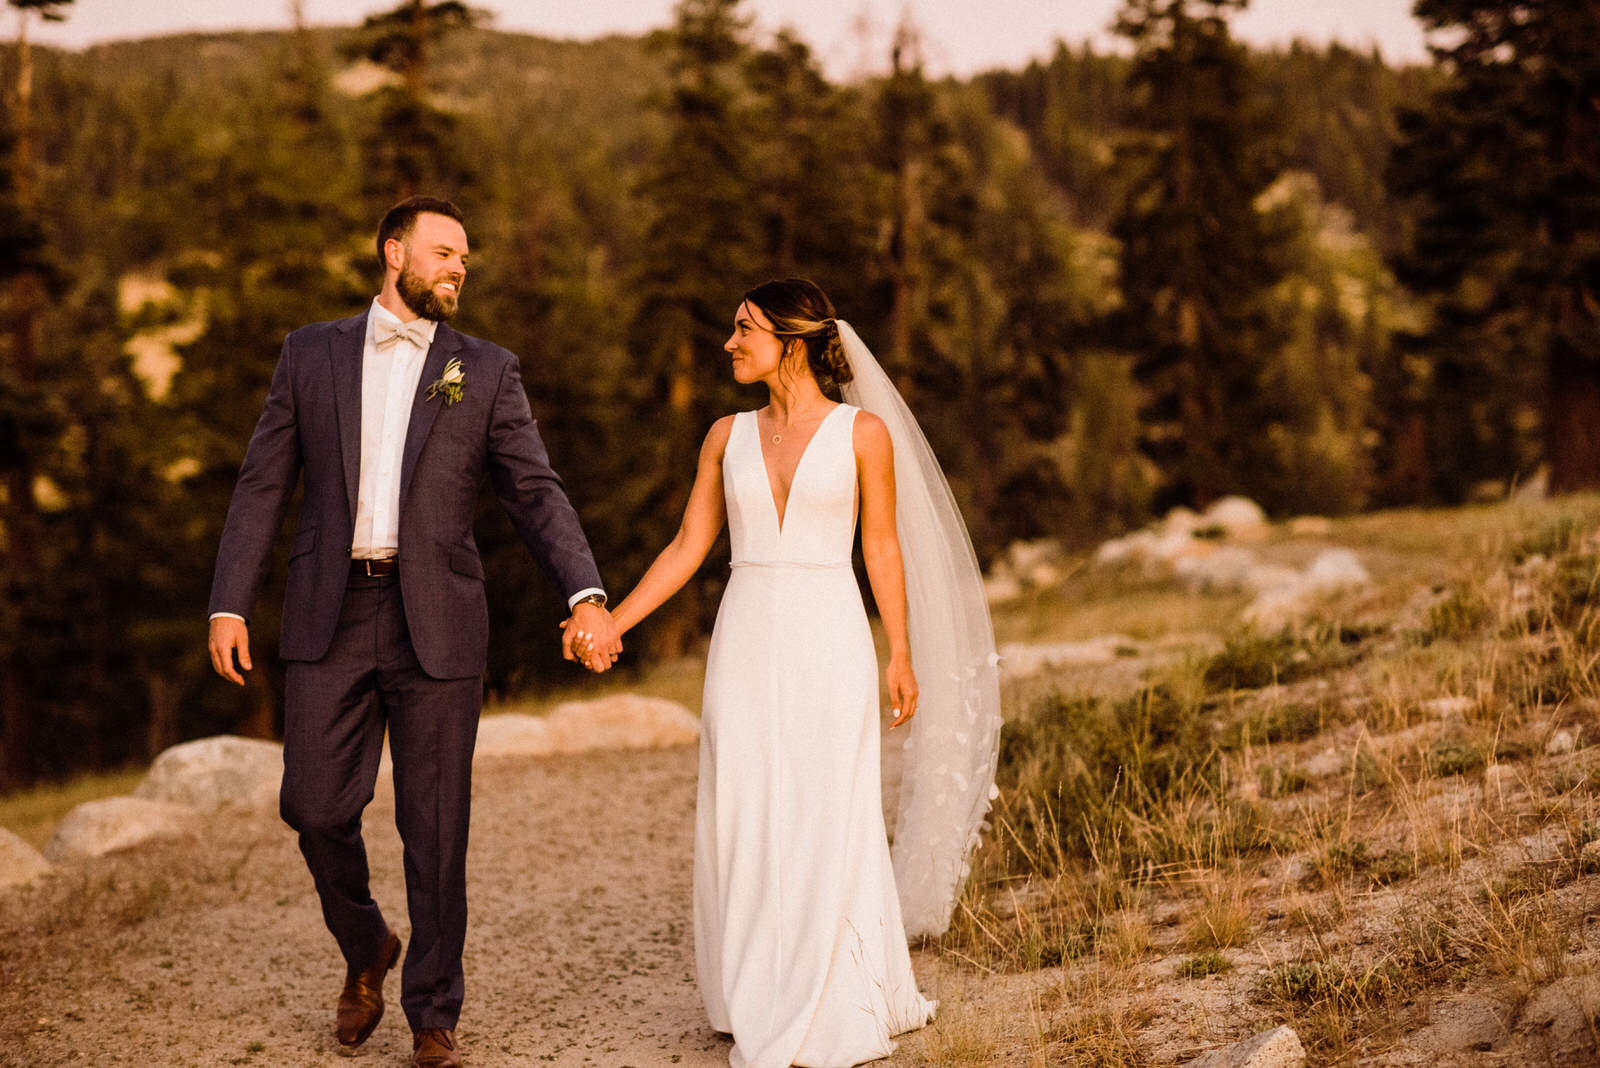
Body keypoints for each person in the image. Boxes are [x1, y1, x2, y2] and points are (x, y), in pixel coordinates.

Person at [206, 196, 621, 1068]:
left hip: (438, 617)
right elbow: (262, 482)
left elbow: (534, 492)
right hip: (331, 609)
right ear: (392, 252)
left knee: (435, 825)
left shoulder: (489, 369)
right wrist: (229, 602)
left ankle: (434, 1012)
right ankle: (367, 948)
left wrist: (584, 593)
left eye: (465, 258)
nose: (458, 269)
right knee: (313, 807)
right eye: (443, 253)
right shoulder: (309, 352)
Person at [568, 279, 1001, 1067]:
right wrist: (612, 622)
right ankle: (752, 984)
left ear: (791, 344)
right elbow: (686, 547)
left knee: (824, 805)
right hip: (746, 636)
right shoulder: (722, 436)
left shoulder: (863, 433)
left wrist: (900, 653)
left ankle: (834, 986)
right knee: (745, 802)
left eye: (744, 329)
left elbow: (882, 549)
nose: (729, 343)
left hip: (829, 636)